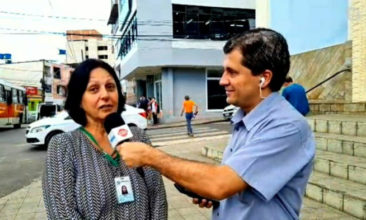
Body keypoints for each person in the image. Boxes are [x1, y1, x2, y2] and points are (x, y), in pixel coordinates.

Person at [118, 28, 315, 220]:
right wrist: (214, 193)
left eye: (232, 72)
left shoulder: (287, 127)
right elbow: (233, 182)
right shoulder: (244, 119)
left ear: (264, 78)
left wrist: (149, 155)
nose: (222, 81)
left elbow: (220, 183)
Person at [42, 59, 167, 220]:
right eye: (94, 89)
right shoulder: (63, 146)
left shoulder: (138, 136)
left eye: (110, 87)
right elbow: (62, 213)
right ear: (79, 99)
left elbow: (158, 198)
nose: (105, 95)